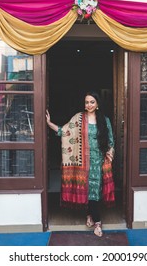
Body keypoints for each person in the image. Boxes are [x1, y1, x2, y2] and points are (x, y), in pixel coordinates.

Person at [46, 91, 115, 237]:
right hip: (82, 162)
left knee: (95, 191)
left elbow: (110, 141)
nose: (88, 105)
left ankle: (91, 216)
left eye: (92, 102)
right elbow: (64, 132)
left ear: (97, 104)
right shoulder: (78, 118)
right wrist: (49, 123)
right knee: (88, 189)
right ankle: (97, 222)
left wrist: (111, 152)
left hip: (98, 161)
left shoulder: (104, 120)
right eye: (86, 102)